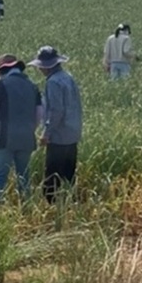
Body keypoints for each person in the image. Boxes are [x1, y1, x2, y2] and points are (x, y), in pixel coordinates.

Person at [0, 54, 43, 203]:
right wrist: (30, 129)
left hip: (5, 138)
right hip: (26, 137)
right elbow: (39, 114)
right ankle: (27, 209)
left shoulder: (1, 85)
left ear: (4, 70)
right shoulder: (33, 86)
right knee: (24, 176)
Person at [28, 46, 82, 204]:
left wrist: (46, 133)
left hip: (58, 136)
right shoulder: (68, 77)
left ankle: (52, 207)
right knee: (69, 174)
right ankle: (71, 204)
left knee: (52, 177)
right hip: (72, 133)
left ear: (46, 66)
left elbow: (56, 110)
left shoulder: (53, 82)